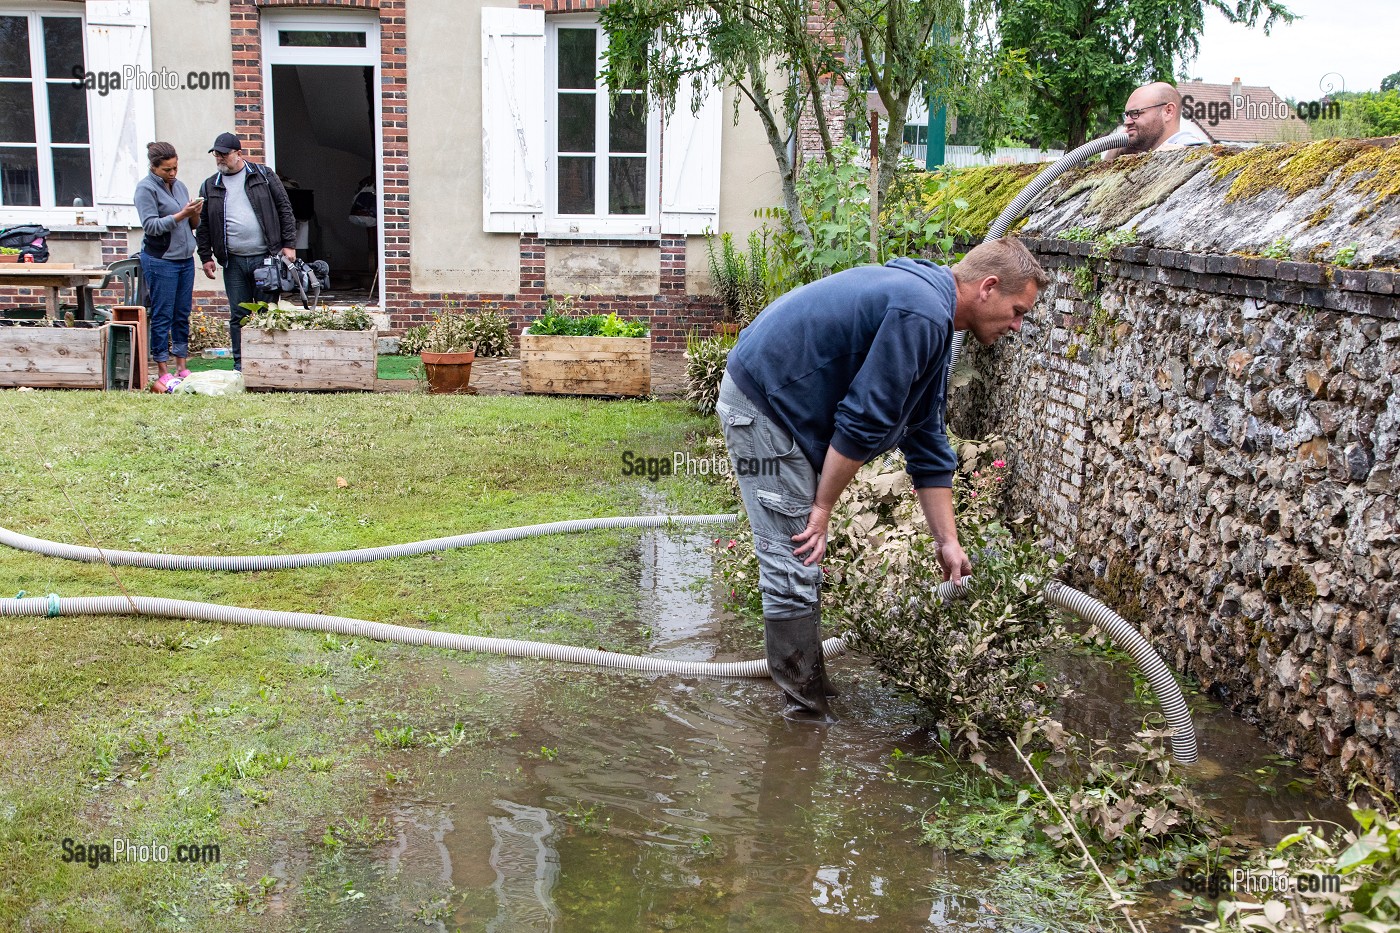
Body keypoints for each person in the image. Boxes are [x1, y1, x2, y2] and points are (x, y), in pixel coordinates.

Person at [717, 238, 1048, 722]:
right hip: (765, 404)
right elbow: (864, 419)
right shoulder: (922, 312)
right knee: (795, 552)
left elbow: (927, 437)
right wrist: (823, 508)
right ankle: (804, 715)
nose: (1017, 326)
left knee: (801, 555)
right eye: (1017, 311)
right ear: (988, 288)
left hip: (786, 405)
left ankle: (812, 686)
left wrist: (947, 542)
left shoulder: (932, 313)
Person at [195, 132, 298, 371]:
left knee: (266, 312)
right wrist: (206, 256)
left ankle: (268, 364)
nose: (219, 158)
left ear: (238, 153)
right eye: (216, 154)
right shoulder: (211, 185)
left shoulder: (263, 176)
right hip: (233, 261)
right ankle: (241, 366)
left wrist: (289, 244)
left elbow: (285, 208)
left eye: (224, 154)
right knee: (238, 314)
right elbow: (204, 224)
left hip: (267, 258)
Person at [134, 141, 200, 392]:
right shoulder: (145, 189)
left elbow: (192, 224)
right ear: (154, 167)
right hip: (161, 260)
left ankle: (181, 366)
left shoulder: (180, 186)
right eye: (166, 170)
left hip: (184, 259)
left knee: (182, 313)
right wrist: (182, 214)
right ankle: (162, 370)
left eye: (175, 168)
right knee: (163, 315)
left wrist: (194, 213)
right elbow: (151, 226)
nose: (172, 174)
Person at [1103, 82, 1208, 161]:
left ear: (1168, 111)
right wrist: (1116, 150)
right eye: (1127, 115)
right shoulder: (1140, 155)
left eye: (1135, 113)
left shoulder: (1192, 149)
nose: (1127, 122)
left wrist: (1182, 153)